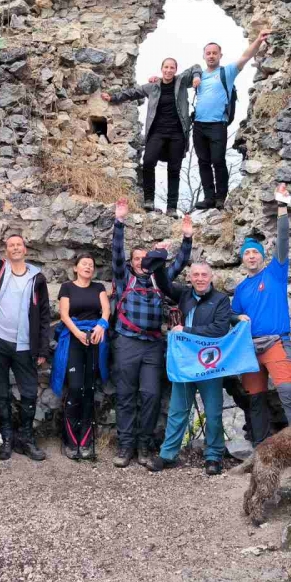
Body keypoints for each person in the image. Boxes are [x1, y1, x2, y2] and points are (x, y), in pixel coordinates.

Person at [0, 189, 52, 462]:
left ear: (25, 250)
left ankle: (26, 437)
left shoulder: (37, 278)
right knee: (0, 390)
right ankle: (6, 437)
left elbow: (45, 316)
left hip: (25, 344)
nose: (15, 248)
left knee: (28, 392)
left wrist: (42, 349)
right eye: (11, 245)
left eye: (20, 244)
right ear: (7, 251)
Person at [111, 198, 193, 469]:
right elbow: (115, 252)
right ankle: (125, 446)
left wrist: (187, 238)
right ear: (131, 263)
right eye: (135, 258)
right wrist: (119, 222)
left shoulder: (159, 281)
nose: (139, 262)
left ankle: (145, 445)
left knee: (151, 395)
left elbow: (179, 264)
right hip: (127, 341)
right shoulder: (125, 279)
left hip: (153, 345)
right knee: (125, 395)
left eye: (143, 258)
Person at [234, 183, 291, 447]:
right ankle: (262, 450)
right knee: (255, 400)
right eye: (247, 253)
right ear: (243, 259)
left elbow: (283, 241)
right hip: (250, 349)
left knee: (288, 393)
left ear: (262, 257)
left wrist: (282, 208)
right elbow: (234, 318)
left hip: (276, 342)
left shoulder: (275, 273)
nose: (251, 256)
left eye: (255, 252)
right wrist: (235, 319)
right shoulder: (241, 289)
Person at [148, 261, 233, 476]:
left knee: (213, 413)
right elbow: (164, 284)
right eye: (196, 274)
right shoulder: (184, 294)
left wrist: (186, 330)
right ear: (190, 277)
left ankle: (213, 457)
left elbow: (219, 329)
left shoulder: (221, 299)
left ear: (211, 277)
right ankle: (167, 455)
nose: (200, 278)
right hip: (185, 363)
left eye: (204, 274)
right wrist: (159, 261)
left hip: (209, 365)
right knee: (178, 410)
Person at [100, 58, 202, 214]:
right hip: (157, 132)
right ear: (161, 69)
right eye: (166, 67)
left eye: (172, 67)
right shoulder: (153, 86)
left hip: (177, 133)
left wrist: (196, 77)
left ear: (175, 70)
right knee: (148, 162)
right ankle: (149, 200)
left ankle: (172, 207)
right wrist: (113, 97)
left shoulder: (181, 81)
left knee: (174, 169)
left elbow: (196, 66)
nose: (169, 70)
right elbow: (133, 92)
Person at [190, 31, 272, 210]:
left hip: (218, 124)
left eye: (214, 53)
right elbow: (174, 82)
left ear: (220, 55)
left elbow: (245, 56)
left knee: (218, 160)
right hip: (198, 125)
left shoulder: (226, 72)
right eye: (208, 53)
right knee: (203, 162)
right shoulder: (199, 76)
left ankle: (221, 197)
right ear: (204, 56)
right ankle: (209, 198)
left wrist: (258, 40)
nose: (211, 56)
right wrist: (156, 79)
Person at [53, 255, 110, 461]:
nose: (88, 266)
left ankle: (85, 440)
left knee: (89, 389)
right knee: (75, 388)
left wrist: (101, 326)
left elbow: (106, 311)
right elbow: (64, 315)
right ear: (75, 268)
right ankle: (70, 440)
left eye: (91, 264)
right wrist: (78, 333)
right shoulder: (67, 287)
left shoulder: (99, 287)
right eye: (84, 264)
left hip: (95, 339)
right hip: (74, 339)